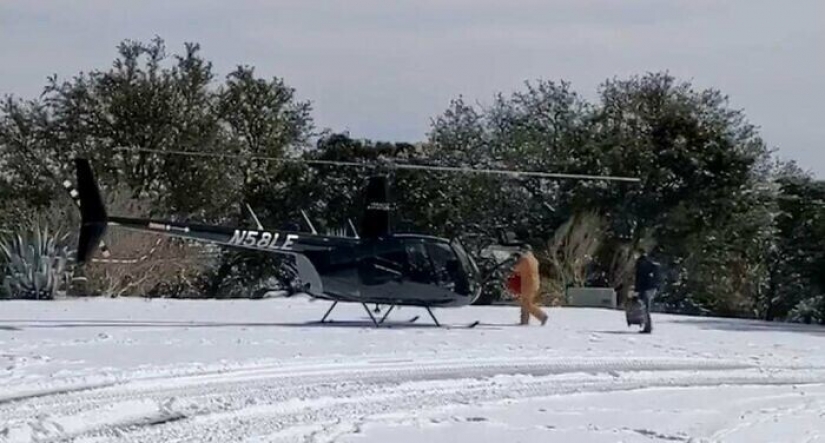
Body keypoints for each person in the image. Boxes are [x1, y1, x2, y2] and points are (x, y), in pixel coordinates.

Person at [507, 247, 548, 326]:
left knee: (526, 303)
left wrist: (512, 266)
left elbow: (516, 269)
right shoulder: (534, 259)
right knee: (525, 302)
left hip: (528, 284)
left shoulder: (525, 260)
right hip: (534, 283)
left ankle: (542, 316)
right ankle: (524, 320)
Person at [633, 247, 660, 334]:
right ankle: (647, 326)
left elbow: (640, 277)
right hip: (652, 287)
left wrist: (638, 289)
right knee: (645, 308)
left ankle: (647, 327)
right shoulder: (648, 262)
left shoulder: (641, 263)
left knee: (645, 308)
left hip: (647, 288)